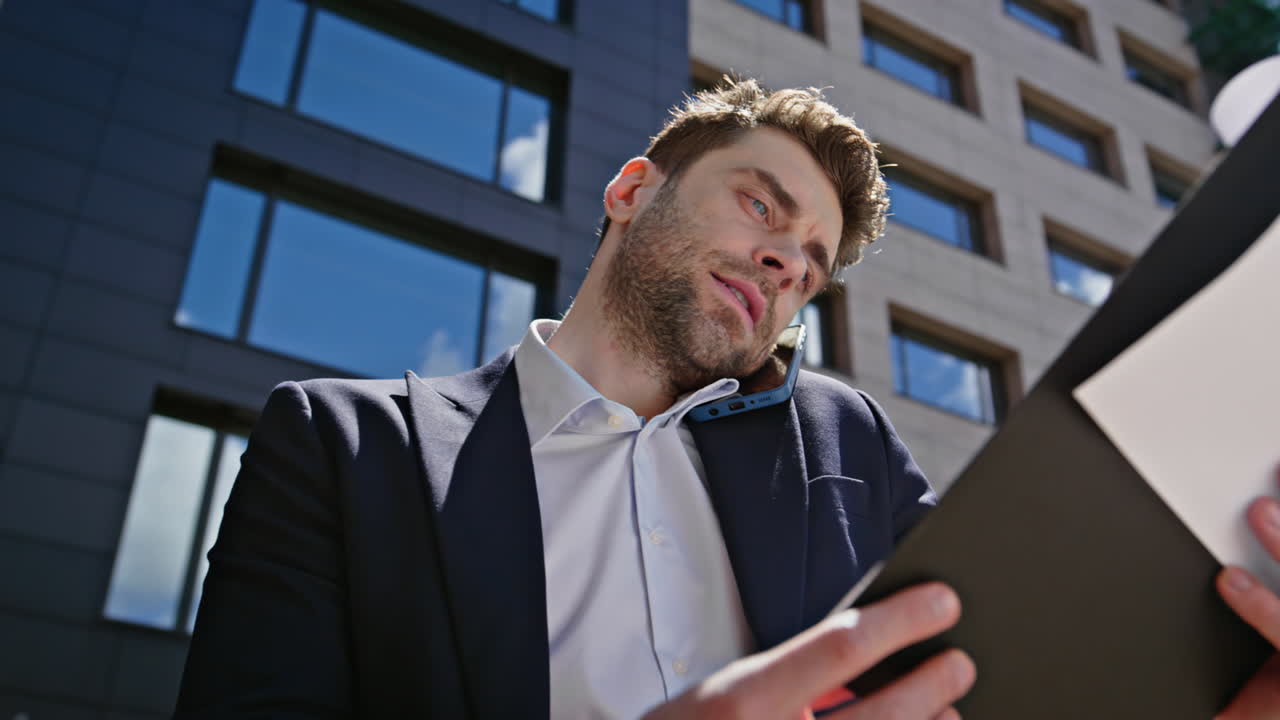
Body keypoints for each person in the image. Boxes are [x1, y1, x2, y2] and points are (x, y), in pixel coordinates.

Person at [174, 78, 1279, 719]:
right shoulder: (342, 444)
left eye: (811, 259)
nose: (787, 263)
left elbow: (1003, 684)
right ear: (629, 190)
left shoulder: (846, 443)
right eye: (761, 206)